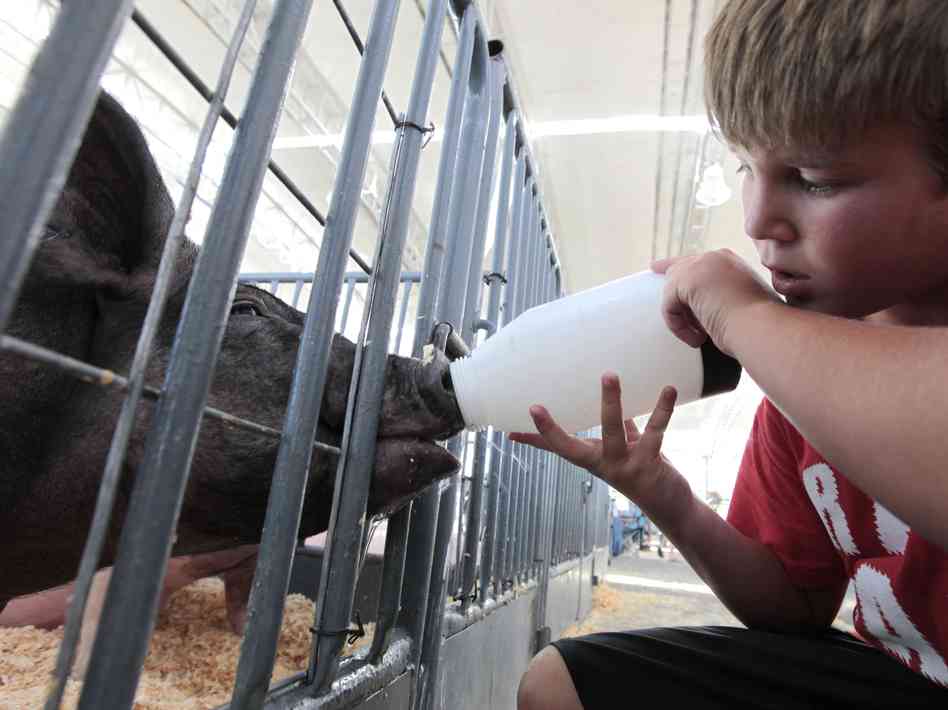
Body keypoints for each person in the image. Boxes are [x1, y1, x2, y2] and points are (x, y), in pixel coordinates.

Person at [515, 1, 948, 707]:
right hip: (908, 676)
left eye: (815, 179)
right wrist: (666, 497)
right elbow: (792, 607)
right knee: (561, 684)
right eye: (747, 166)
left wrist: (746, 316)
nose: (756, 220)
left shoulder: (790, 358)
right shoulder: (798, 396)